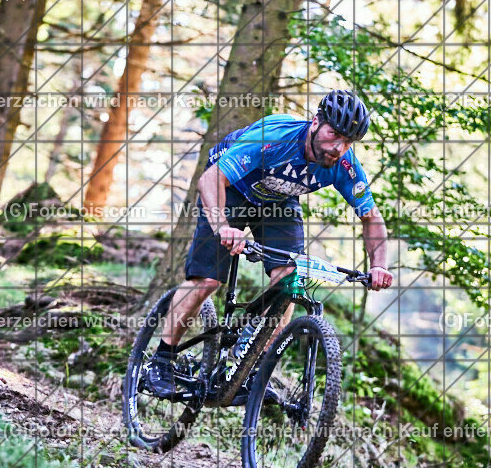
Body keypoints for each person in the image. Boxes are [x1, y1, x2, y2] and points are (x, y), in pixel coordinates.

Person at [145, 89, 395, 399]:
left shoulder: (344, 165)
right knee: (207, 280)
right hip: (230, 187)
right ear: (316, 122)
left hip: (277, 200)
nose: (337, 147)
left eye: (347, 142)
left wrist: (379, 264)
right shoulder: (274, 136)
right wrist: (223, 226)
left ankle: (252, 371)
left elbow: (371, 218)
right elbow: (210, 181)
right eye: (334, 134)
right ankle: (160, 360)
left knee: (289, 282)